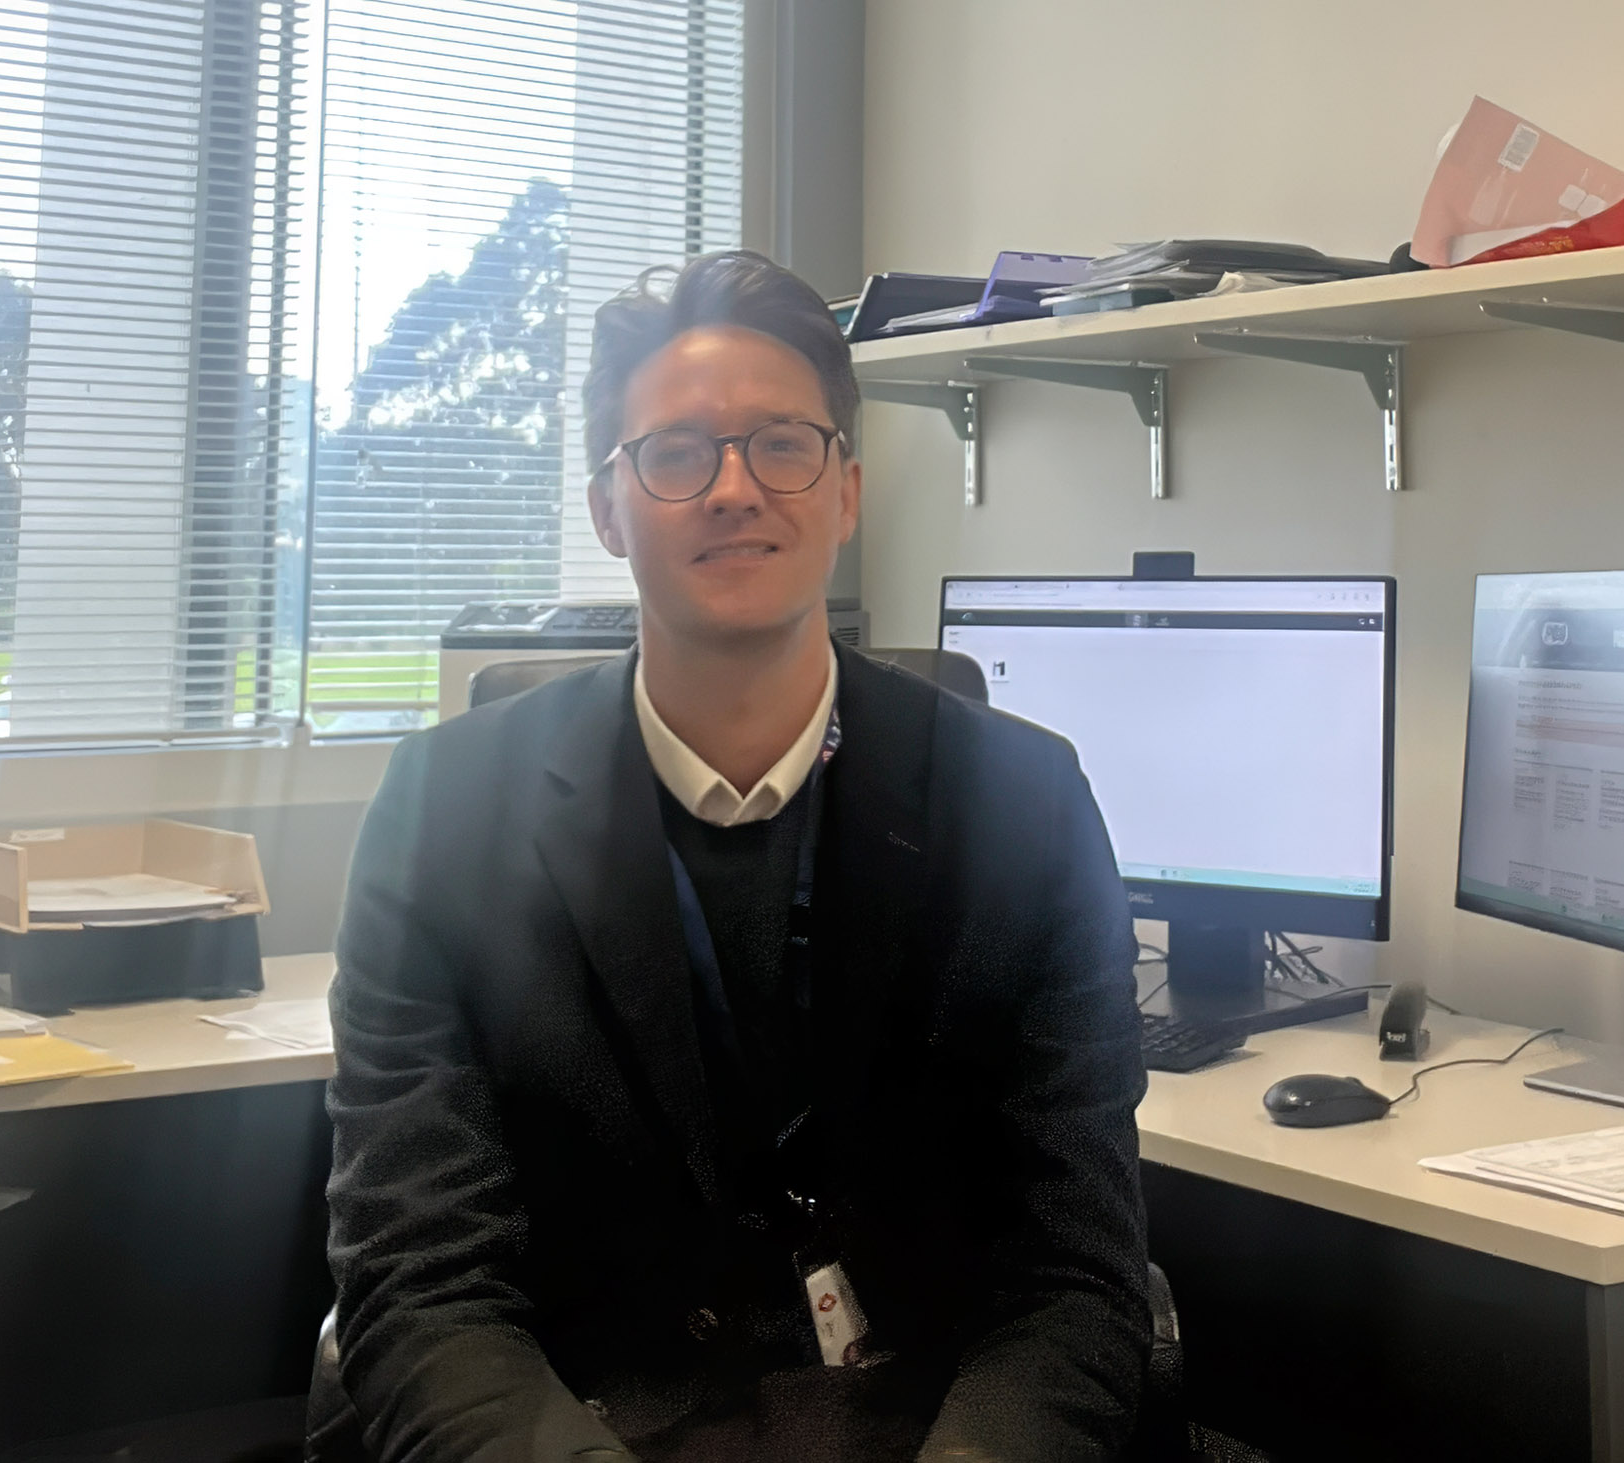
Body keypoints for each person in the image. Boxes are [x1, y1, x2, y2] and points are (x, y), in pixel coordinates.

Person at [325, 250, 1151, 1463]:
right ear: (608, 507)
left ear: (846, 490)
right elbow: (420, 1280)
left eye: (781, 443)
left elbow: (1073, 1270)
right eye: (676, 452)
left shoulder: (1021, 805)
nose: (732, 488)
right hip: (581, 1423)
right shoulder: (442, 813)